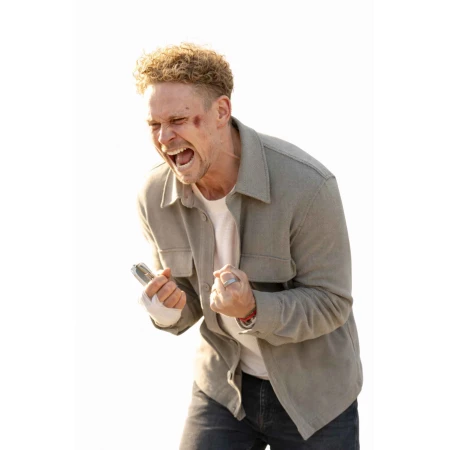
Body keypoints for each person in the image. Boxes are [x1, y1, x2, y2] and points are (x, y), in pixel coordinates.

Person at [133, 43, 362, 449]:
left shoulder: (308, 186)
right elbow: (188, 301)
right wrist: (166, 311)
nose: (165, 138)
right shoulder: (154, 194)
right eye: (154, 124)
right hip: (223, 389)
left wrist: (253, 309)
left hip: (315, 399)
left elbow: (332, 303)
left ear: (222, 111)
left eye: (179, 120)